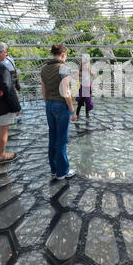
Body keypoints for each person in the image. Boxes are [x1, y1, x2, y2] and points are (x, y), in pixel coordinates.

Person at [41, 44, 77, 180]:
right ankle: (63, 172)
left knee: (53, 137)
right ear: (63, 54)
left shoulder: (44, 68)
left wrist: (48, 103)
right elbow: (66, 91)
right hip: (61, 105)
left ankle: (54, 169)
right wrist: (72, 111)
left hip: (49, 104)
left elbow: (43, 89)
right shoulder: (63, 68)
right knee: (61, 139)